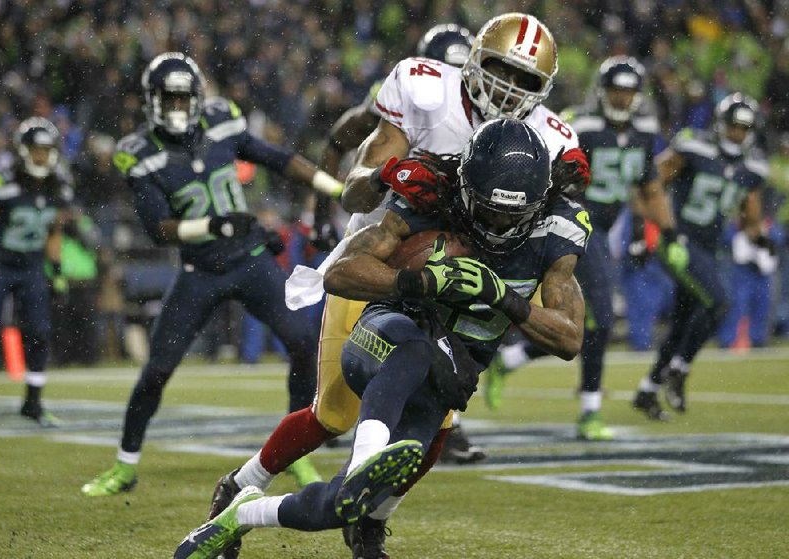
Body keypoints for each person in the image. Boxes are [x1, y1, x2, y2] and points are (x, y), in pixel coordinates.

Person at [209, 13, 589, 559]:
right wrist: (389, 175)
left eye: (527, 81)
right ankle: (243, 483)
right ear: (475, 60)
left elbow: (556, 228)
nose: (509, 89)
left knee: (434, 427)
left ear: (545, 92)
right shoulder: (425, 88)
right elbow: (354, 191)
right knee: (334, 414)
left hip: (461, 290)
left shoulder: (548, 138)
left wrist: (565, 185)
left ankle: (371, 521)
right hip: (384, 266)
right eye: (502, 71)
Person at [80, 52, 343, 497]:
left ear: (198, 99)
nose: (179, 108)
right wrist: (213, 225)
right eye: (170, 100)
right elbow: (158, 229)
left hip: (249, 258)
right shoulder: (141, 155)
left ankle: (297, 455)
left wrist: (335, 188)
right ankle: (125, 465)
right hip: (199, 270)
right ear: (153, 102)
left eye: (185, 100)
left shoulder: (221, 125)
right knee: (158, 370)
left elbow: (278, 159)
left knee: (303, 340)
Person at [312, 22, 485, 467]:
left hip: (438, 241)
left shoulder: (488, 114)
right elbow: (344, 136)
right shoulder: (410, 93)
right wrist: (324, 202)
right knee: (335, 404)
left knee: (448, 352)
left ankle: (441, 427)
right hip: (384, 235)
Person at [481, 56, 662, 441]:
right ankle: (590, 411)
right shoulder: (581, 125)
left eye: (629, 92)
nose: (622, 98)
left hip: (607, 227)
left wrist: (650, 231)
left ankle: (510, 360)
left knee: (590, 326)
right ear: (603, 90)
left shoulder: (645, 132)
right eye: (617, 90)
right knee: (603, 319)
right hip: (573, 222)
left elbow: (646, 189)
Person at [632, 92, 767, 420]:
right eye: (733, 126)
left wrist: (761, 239)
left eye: (743, 129)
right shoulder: (694, 148)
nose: (737, 134)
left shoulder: (751, 167)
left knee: (682, 322)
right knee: (720, 302)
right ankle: (679, 369)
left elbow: (750, 216)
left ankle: (648, 390)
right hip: (678, 240)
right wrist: (644, 228)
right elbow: (648, 182)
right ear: (720, 125)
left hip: (706, 248)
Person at [0, 117, 73, 427]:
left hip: (32, 265)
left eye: (46, 150)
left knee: (39, 331)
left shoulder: (57, 184)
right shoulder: (4, 180)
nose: (41, 156)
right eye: (36, 150)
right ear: (23, 151)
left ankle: (33, 402)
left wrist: (58, 271)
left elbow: (54, 231)